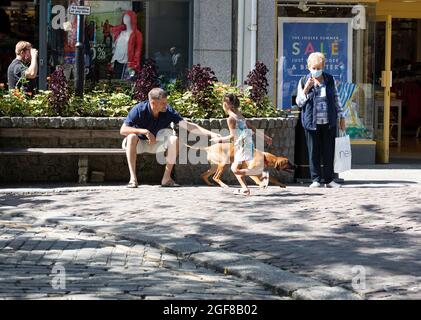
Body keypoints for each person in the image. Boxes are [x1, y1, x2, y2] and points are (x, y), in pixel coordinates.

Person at [120, 87, 220, 188]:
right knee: (132, 136)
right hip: (138, 144)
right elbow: (123, 130)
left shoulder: (168, 111)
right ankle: (133, 179)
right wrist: (145, 132)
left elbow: (189, 126)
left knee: (174, 139)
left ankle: (166, 179)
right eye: (163, 103)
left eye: (166, 102)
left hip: (156, 144)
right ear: (153, 103)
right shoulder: (138, 109)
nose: (166, 105)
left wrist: (211, 134)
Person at [296, 52, 346, 188]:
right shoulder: (303, 80)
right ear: (309, 67)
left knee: (328, 151)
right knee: (314, 152)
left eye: (319, 68)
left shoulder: (330, 79)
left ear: (323, 66)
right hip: (311, 123)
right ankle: (316, 179)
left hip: (328, 121)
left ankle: (329, 180)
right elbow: (299, 103)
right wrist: (306, 89)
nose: (316, 70)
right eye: (314, 68)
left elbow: (336, 98)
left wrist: (342, 116)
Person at [211, 93, 273, 196]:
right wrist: (266, 137)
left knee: (234, 169)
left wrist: (219, 140)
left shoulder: (231, 118)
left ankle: (262, 175)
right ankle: (245, 189)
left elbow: (232, 136)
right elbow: (251, 127)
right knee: (238, 167)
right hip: (248, 143)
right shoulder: (240, 115)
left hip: (242, 145)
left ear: (226, 104)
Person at [111, 10, 143, 79]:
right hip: (117, 62)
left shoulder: (137, 34)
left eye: (128, 17)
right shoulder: (120, 33)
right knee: (117, 82)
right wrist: (113, 60)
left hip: (128, 64)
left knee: (127, 83)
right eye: (124, 17)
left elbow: (138, 50)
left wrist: (134, 64)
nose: (125, 19)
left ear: (132, 19)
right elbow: (116, 48)